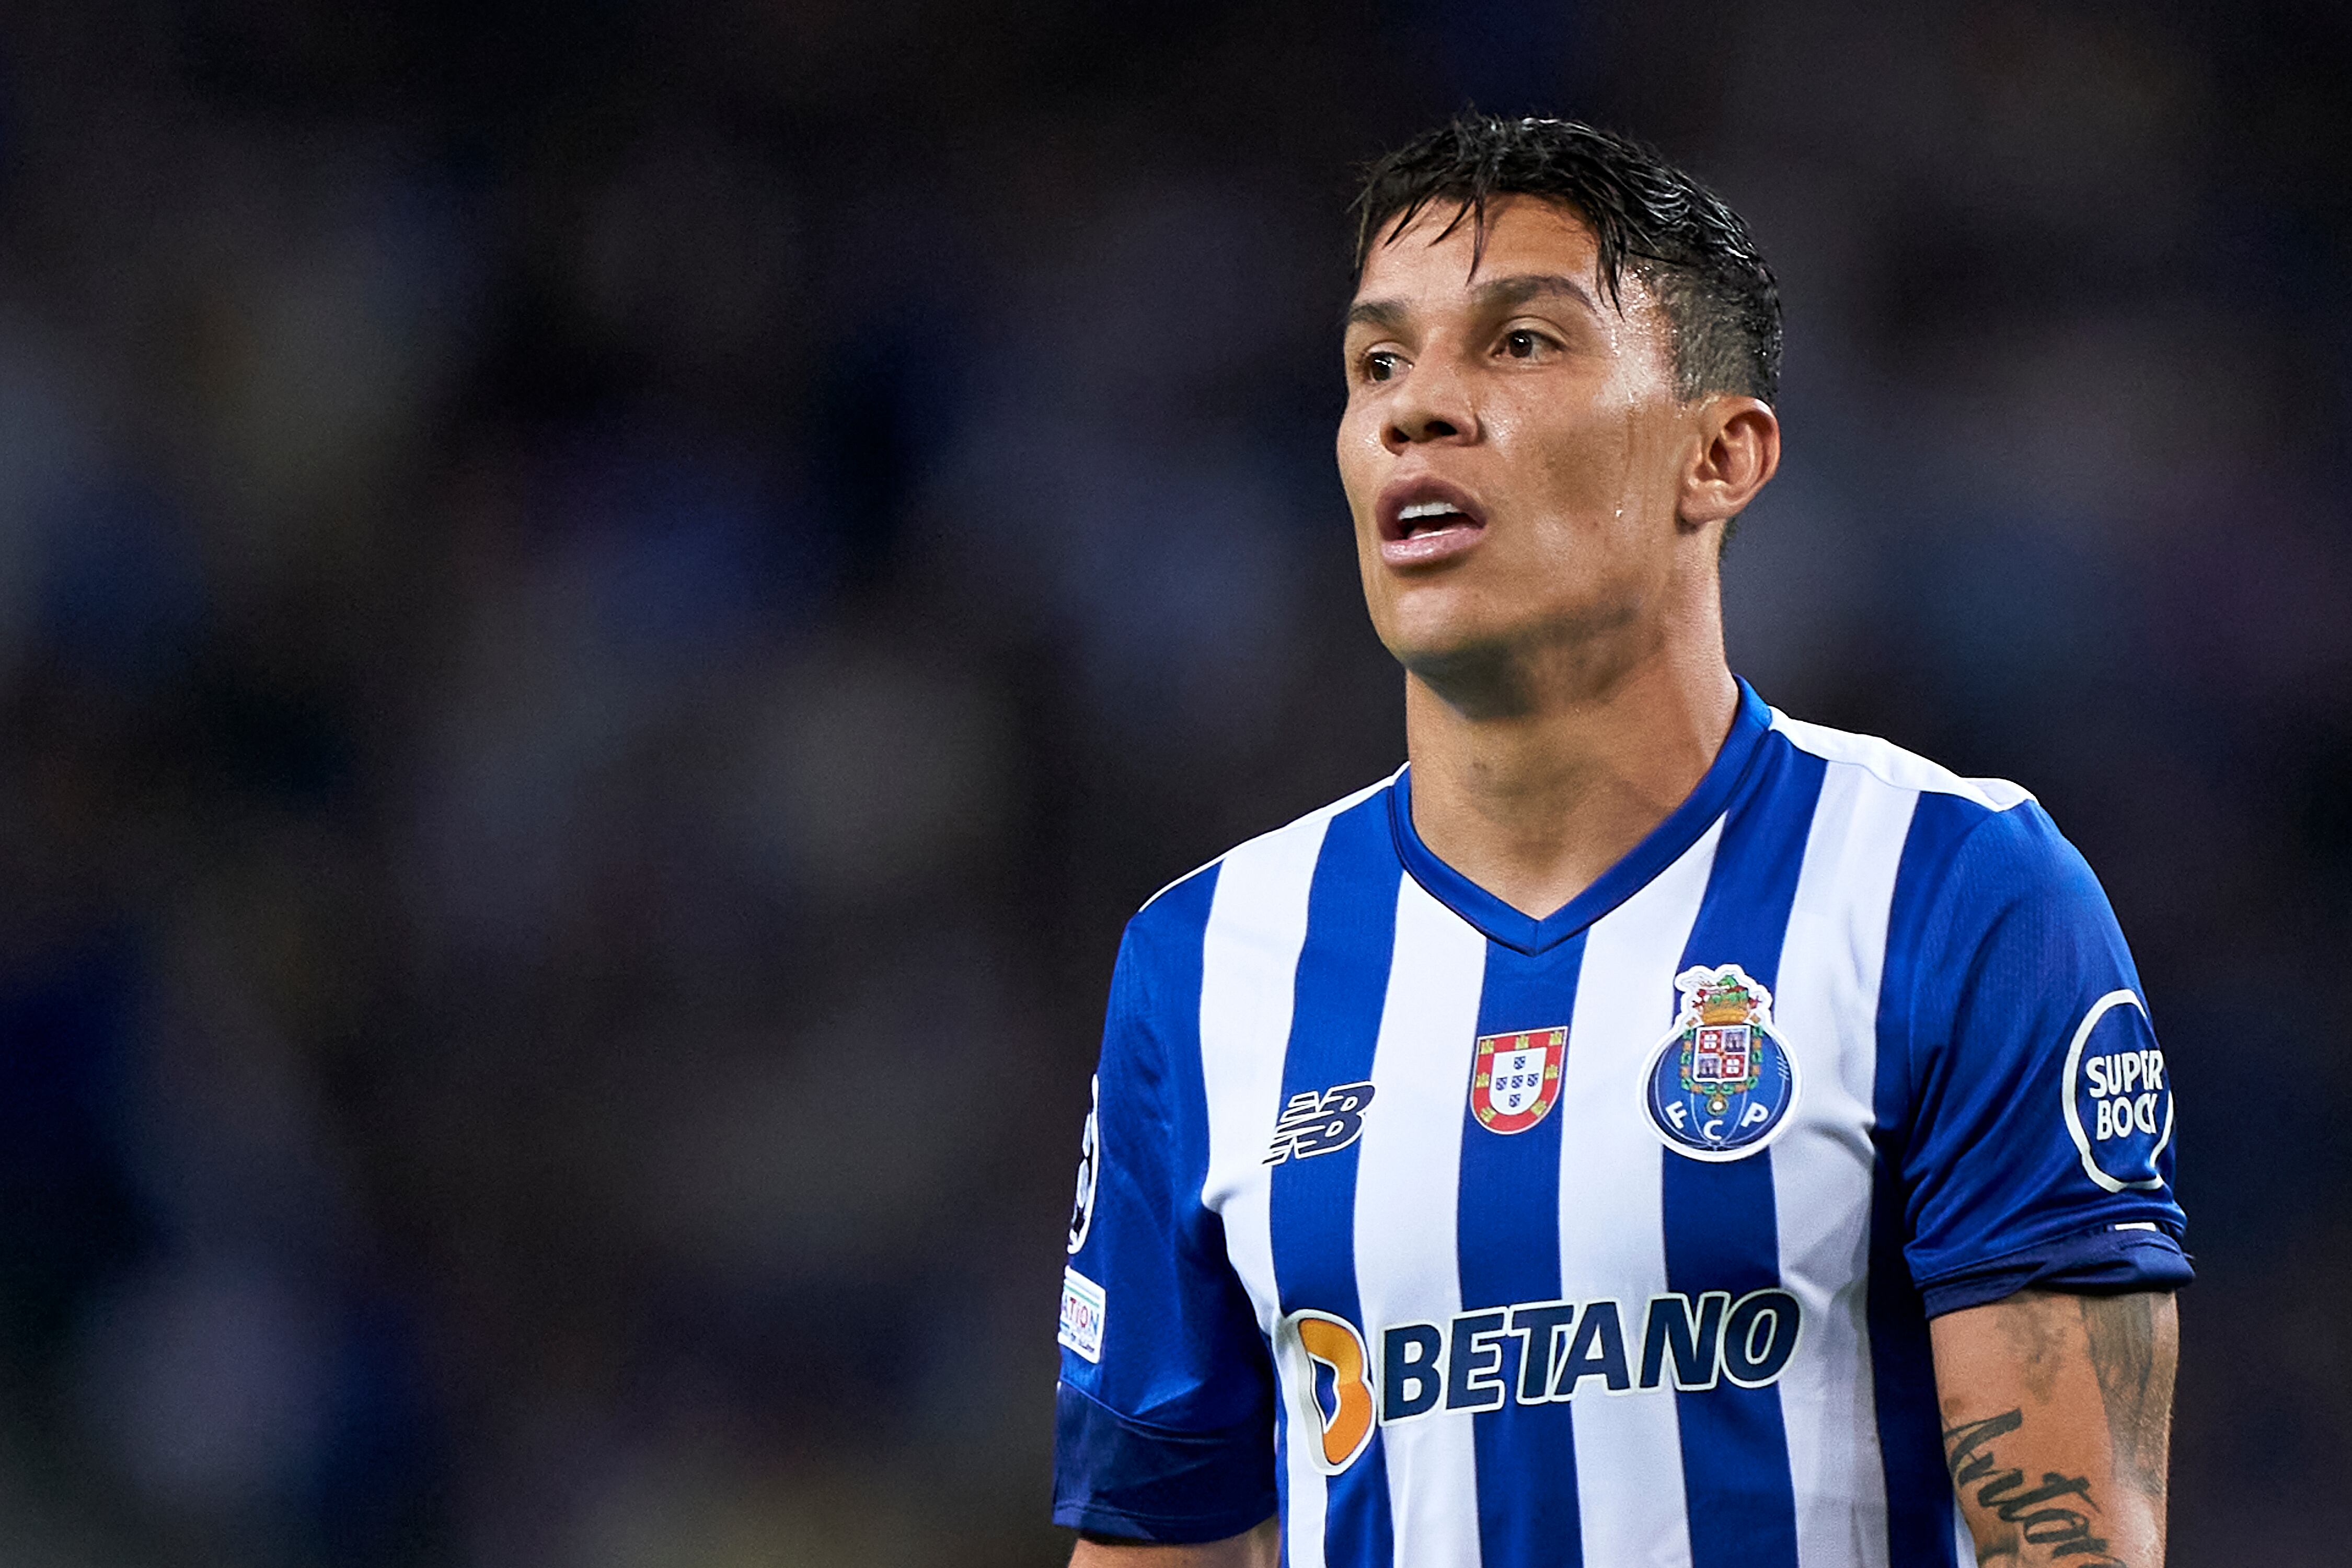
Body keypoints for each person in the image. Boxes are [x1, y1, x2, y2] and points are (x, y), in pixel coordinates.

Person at [1051, 114, 2187, 1568]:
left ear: (1717, 456)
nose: (1416, 410)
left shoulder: (1954, 889)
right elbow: (1159, 1540)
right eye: (1377, 364)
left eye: (1518, 344)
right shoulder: (1204, 961)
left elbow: (2069, 1543)